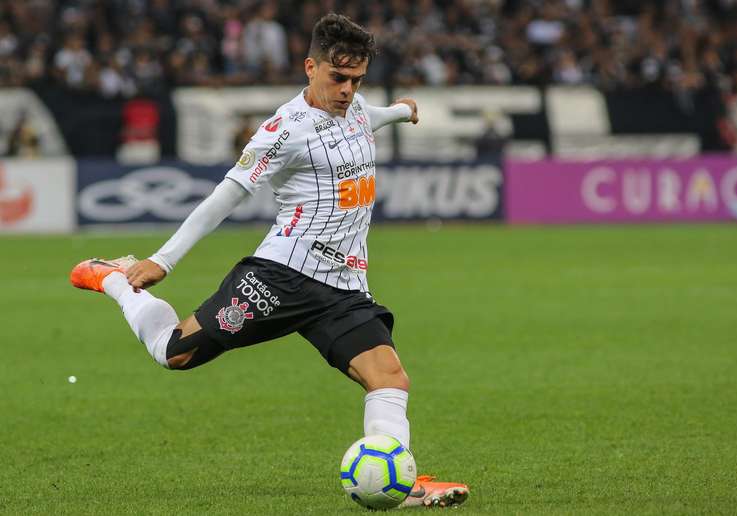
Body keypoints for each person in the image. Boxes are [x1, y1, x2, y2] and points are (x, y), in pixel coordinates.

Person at [70, 13, 468, 509]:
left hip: (342, 286)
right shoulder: (284, 131)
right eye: (338, 78)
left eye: (356, 80)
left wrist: (401, 110)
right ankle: (116, 280)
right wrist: (163, 260)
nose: (347, 90)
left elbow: (371, 115)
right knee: (176, 353)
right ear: (310, 67)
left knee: (389, 377)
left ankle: (400, 484)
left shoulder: (359, 107)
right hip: (281, 276)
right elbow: (227, 194)